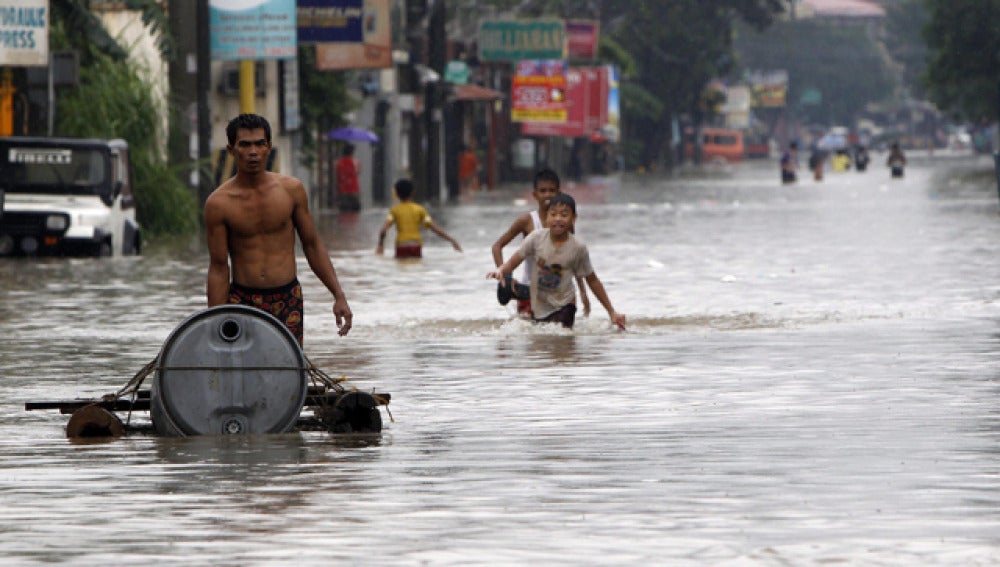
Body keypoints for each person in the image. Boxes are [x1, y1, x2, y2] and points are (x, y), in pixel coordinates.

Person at [205, 113, 353, 345]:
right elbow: (219, 266)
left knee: (287, 369)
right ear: (231, 150)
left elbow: (312, 245)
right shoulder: (219, 203)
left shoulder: (291, 190)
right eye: (245, 144)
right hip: (242, 299)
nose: (253, 151)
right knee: (241, 371)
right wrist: (213, 320)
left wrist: (338, 295)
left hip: (287, 298)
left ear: (269, 148)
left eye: (259, 144)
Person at [487, 193, 625, 330]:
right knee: (541, 345)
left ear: (573, 219)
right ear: (546, 218)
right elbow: (512, 263)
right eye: (553, 214)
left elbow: (593, 280)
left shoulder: (578, 247)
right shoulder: (535, 238)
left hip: (565, 305)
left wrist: (611, 311)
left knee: (561, 341)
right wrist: (501, 271)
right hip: (539, 305)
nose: (558, 219)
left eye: (564, 215)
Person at [491, 168, 590, 318]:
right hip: (528, 291)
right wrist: (505, 276)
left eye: (552, 190)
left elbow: (574, 261)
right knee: (532, 335)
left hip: (557, 294)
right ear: (535, 195)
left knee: (560, 336)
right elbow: (497, 246)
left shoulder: (566, 224)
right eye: (543, 191)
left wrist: (583, 291)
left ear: (559, 193)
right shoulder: (526, 221)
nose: (547, 195)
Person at [376, 178, 462, 258]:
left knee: (401, 268)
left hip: (401, 245)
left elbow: (383, 230)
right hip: (416, 245)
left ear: (397, 194)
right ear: (413, 193)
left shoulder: (394, 211)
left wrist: (380, 245)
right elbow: (435, 229)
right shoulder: (420, 210)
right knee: (416, 267)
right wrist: (452, 240)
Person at [335, 143, 361, 212]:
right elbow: (358, 172)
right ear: (352, 152)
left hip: (342, 190)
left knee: (343, 211)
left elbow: (338, 175)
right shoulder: (356, 162)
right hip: (354, 189)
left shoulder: (339, 162)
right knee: (355, 211)